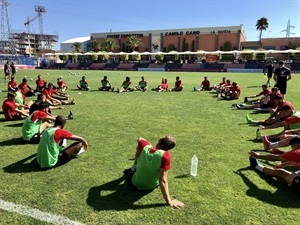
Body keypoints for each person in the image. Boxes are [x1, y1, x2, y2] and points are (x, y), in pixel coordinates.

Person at [124, 135, 184, 209]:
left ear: (159, 140)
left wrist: (149, 145)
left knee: (139, 147)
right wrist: (169, 201)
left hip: (135, 181)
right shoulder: (165, 156)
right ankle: (133, 168)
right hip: (150, 185)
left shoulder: (144, 146)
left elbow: (140, 138)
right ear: (168, 149)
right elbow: (163, 180)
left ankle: (133, 168)